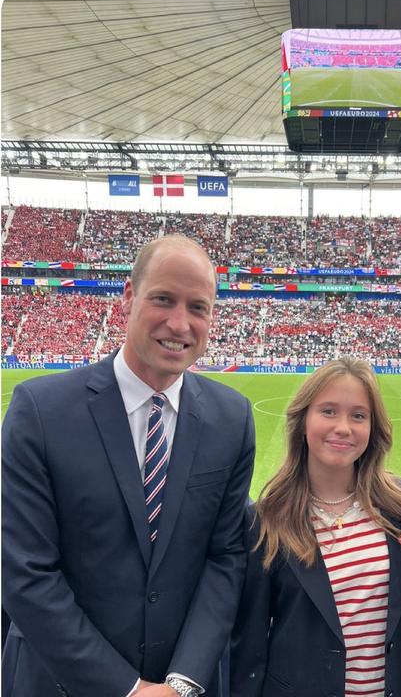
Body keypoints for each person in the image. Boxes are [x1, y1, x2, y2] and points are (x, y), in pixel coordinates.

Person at [2, 234, 255, 697]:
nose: (180, 323)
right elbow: (25, 573)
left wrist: (181, 682)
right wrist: (128, 689)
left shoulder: (232, 419)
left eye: (198, 307)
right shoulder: (39, 411)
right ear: (128, 298)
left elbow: (225, 558)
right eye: (163, 299)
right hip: (60, 682)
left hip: (180, 685)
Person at [229, 356, 401, 697]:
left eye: (358, 415)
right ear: (303, 421)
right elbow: (250, 644)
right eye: (328, 411)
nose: (344, 427)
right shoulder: (267, 521)